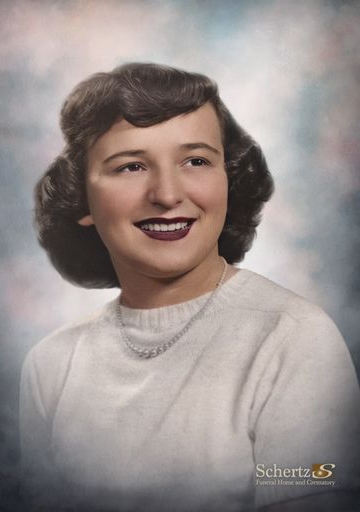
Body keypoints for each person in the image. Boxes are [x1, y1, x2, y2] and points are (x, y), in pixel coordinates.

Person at [20, 63, 360, 512]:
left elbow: (315, 484)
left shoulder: (293, 338)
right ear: (82, 199)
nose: (166, 194)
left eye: (196, 161)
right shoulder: (50, 365)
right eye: (131, 166)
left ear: (228, 180)